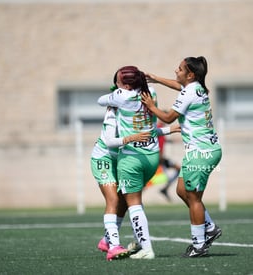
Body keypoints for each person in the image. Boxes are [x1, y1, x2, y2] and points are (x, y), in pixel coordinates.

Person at [142, 56, 222, 257]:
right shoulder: (197, 88)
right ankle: (209, 227)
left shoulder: (189, 92)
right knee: (181, 190)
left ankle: (199, 244)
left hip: (201, 153)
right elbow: (179, 86)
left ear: (190, 74)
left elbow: (168, 117)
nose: (175, 71)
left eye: (179, 69)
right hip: (199, 151)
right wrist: (157, 78)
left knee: (194, 198)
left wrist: (151, 106)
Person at [97, 66, 159, 260]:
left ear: (123, 85)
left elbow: (101, 100)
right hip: (151, 155)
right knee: (120, 200)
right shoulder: (152, 93)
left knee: (130, 203)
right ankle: (110, 241)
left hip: (130, 157)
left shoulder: (119, 97)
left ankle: (144, 247)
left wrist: (129, 138)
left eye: (118, 82)